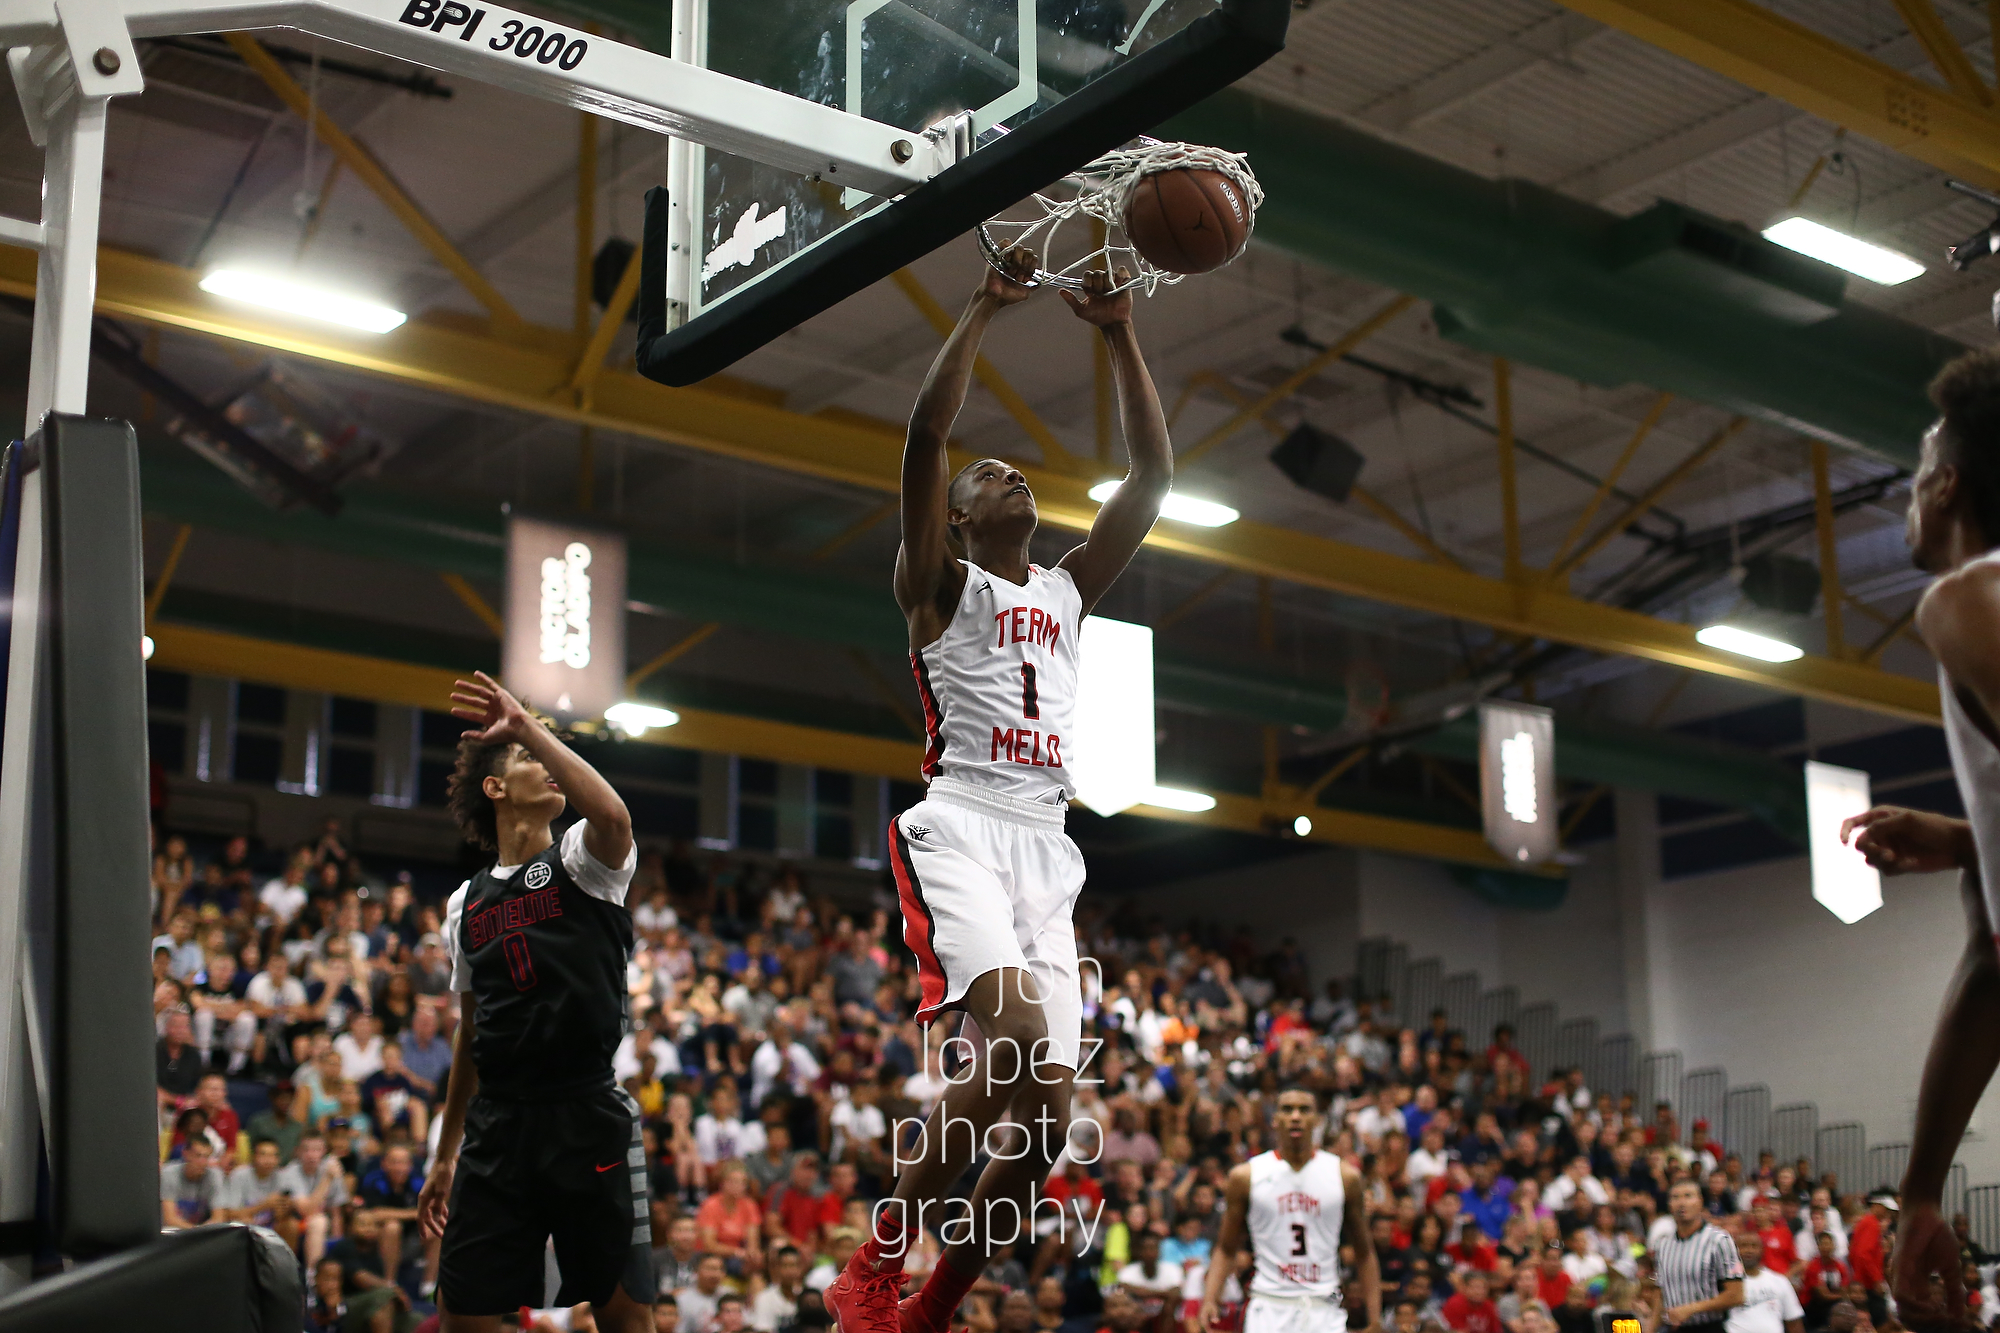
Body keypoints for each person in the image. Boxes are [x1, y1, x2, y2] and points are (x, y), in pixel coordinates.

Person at [827, 247, 1174, 1333]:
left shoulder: (1069, 587)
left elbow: (1152, 477)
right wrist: (980, 305)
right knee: (1019, 1040)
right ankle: (875, 1261)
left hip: (1046, 837)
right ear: (962, 520)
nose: (1005, 474)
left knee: (1053, 1114)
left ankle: (936, 1299)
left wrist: (1118, 331)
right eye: (988, 478)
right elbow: (926, 435)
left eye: (1015, 471)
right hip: (963, 821)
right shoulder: (934, 584)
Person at [1839, 348, 2000, 1326]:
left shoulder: (1965, 596)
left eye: (1911, 477)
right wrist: (1924, 1190)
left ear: (1943, 486)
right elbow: (1993, 959)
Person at [416, 671, 647, 1332]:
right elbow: (470, 1033)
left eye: (548, 751)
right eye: (528, 757)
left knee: (626, 1315)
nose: (546, 764)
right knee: (463, 1316)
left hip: (585, 1111)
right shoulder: (465, 903)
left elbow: (613, 816)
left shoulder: (583, 860)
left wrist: (525, 728)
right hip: (500, 1125)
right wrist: (444, 1151)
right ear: (495, 787)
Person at [1202, 1085, 1380, 1333]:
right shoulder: (1246, 1176)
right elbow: (1225, 1247)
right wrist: (1210, 1298)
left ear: (1316, 1119)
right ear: (1274, 1120)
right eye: (1287, 1109)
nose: (1295, 1116)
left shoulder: (1344, 1176)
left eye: (1304, 1110)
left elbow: (1365, 1251)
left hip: (1323, 1307)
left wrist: (1375, 1317)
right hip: (1269, 1305)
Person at [1653, 1178, 1743, 1329]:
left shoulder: (1720, 1240)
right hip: (1675, 1328)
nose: (1682, 1203)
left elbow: (1737, 1295)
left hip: (1709, 1326)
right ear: (1669, 1204)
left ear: (1700, 1201)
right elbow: (1661, 1295)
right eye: (1675, 1197)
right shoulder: (1663, 1245)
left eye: (1688, 1196)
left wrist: (1692, 1308)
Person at [1724, 1234, 1801, 1333]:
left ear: (1762, 1250)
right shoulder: (1725, 1282)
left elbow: (1794, 1322)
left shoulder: (1780, 1281)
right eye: (1743, 1246)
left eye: (1754, 1246)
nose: (1749, 1250)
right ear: (1735, 1250)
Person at [161, 1136, 227, 1229]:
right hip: (174, 1232)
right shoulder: (169, 1174)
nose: (203, 1162)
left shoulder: (214, 1175)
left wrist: (201, 1233)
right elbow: (170, 1219)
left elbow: (219, 1218)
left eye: (206, 1157)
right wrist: (196, 1232)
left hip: (200, 1231)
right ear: (185, 1154)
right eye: (198, 1156)